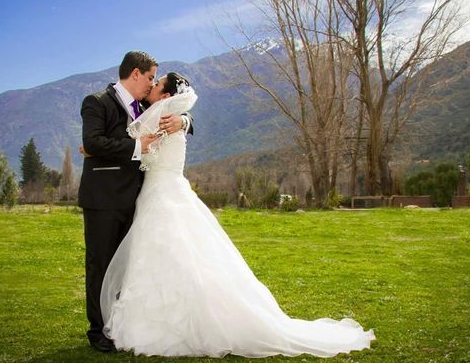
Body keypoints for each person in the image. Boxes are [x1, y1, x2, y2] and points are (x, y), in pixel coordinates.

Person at [100, 73, 376, 358]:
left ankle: (167, 325)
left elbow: (137, 149)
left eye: (157, 85)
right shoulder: (171, 118)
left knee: (167, 253)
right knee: (169, 257)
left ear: (167, 97)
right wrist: (183, 121)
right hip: (163, 191)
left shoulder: (165, 120)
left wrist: (103, 149)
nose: (152, 86)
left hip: (162, 194)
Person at [78, 51, 192, 352]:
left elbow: (176, 107)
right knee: (100, 265)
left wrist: (184, 119)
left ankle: (120, 324)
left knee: (126, 268)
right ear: (136, 73)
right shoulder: (97, 102)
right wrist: (135, 146)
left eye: (156, 79)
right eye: (151, 77)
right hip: (103, 199)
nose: (153, 83)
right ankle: (98, 331)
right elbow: (92, 142)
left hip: (136, 200)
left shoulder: (144, 105)